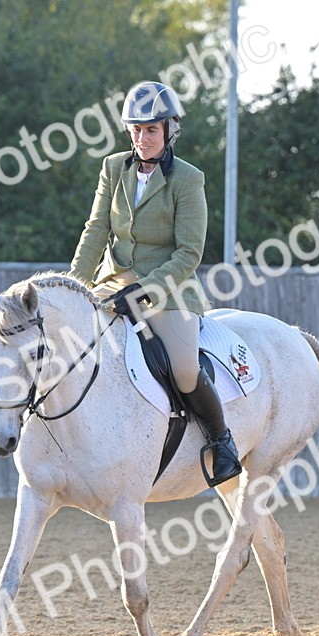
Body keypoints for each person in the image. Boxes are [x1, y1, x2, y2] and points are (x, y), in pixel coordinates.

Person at [70, 80, 242, 487]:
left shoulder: (188, 179)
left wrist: (145, 289)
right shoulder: (113, 167)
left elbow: (188, 253)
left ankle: (222, 442)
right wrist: (75, 287)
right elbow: (96, 230)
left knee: (183, 369)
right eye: (136, 129)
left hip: (168, 289)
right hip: (111, 283)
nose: (142, 138)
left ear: (169, 130)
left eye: (151, 130)